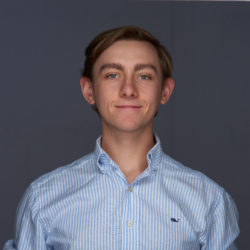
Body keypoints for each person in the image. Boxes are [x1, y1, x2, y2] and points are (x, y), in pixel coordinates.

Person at [4, 26, 239, 250]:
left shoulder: (210, 202)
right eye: (113, 75)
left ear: (165, 91)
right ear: (89, 91)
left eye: (144, 76)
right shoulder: (43, 199)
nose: (128, 89)